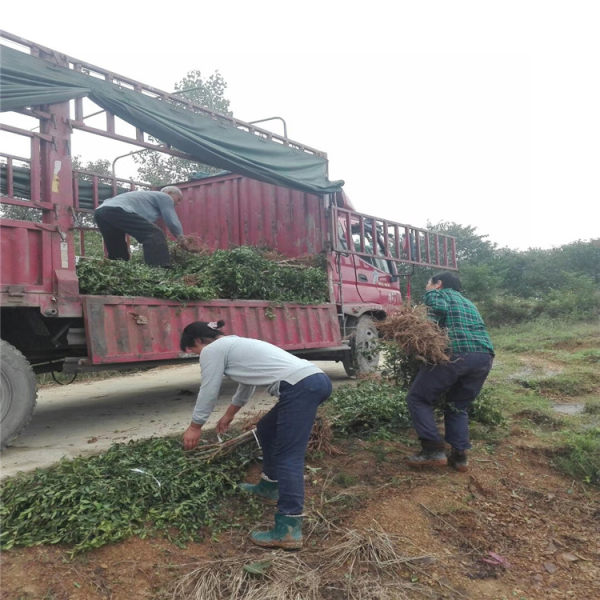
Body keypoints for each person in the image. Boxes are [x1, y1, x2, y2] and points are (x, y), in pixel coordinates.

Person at [180, 320, 332, 550]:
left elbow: (209, 389)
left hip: (300, 386)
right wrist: (230, 414)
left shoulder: (212, 350)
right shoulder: (235, 344)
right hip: (313, 380)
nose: (197, 355)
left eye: (194, 350)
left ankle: (289, 528)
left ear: (200, 341)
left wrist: (195, 426)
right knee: (266, 430)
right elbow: (247, 384)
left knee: (289, 456)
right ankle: (270, 485)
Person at [405, 271, 494, 472]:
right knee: (457, 406)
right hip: (483, 356)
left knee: (418, 398)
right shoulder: (468, 303)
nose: (427, 287)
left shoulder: (439, 294)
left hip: (456, 354)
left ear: (439, 284)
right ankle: (460, 456)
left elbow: (438, 307)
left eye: (429, 283)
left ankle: (432, 450)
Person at [93, 186, 185, 267]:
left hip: (101, 212)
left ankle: (118, 272)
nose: (178, 203)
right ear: (169, 193)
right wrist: (182, 239)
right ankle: (159, 270)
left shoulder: (147, 198)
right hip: (116, 209)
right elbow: (172, 221)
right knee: (154, 234)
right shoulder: (165, 197)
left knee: (118, 252)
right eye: (178, 199)